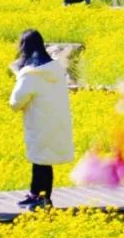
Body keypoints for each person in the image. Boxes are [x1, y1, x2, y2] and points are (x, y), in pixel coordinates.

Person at [9, 30, 75, 208]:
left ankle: (39, 197)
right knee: (45, 161)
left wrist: (18, 74)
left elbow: (15, 102)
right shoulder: (56, 69)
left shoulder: (31, 74)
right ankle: (40, 196)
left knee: (41, 160)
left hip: (39, 121)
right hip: (57, 122)